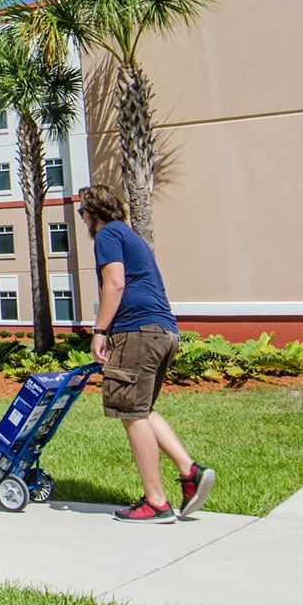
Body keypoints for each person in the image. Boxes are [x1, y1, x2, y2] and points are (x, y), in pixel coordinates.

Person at [79, 184, 216, 522]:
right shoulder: (131, 236)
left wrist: (100, 331)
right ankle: (189, 472)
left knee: (130, 412)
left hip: (137, 330)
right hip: (164, 330)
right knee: (142, 409)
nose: (82, 220)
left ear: (93, 213)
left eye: (82, 213)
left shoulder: (108, 235)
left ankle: (156, 502)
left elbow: (115, 284)